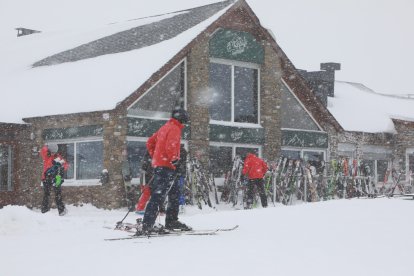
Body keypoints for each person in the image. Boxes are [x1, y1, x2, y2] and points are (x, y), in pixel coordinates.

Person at [136, 108, 191, 235]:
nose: (184, 123)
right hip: (167, 167)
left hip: (162, 165)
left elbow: (150, 142)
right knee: (158, 195)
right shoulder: (174, 128)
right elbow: (171, 145)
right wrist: (174, 160)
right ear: (181, 118)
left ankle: (171, 221)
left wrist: (156, 156)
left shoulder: (164, 127)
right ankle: (147, 224)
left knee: (174, 193)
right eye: (184, 120)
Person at [40, 144, 69, 216]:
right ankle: (44, 210)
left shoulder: (58, 157)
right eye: (52, 152)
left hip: (56, 178)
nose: (53, 153)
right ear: (49, 151)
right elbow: (42, 150)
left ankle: (61, 210)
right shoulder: (46, 155)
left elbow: (66, 165)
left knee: (58, 194)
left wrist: (61, 165)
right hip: (46, 177)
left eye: (54, 152)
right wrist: (47, 147)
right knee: (46, 194)